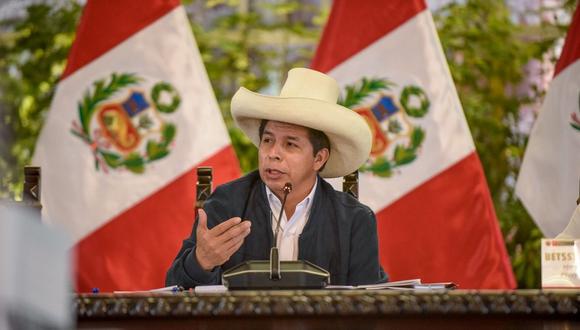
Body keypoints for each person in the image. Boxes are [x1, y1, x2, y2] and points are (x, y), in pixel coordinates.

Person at [166, 68, 387, 288]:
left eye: (290, 144)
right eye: (267, 141)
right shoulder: (227, 203)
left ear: (318, 158)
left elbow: (371, 303)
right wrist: (201, 262)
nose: (273, 153)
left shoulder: (354, 219)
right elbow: (173, 288)